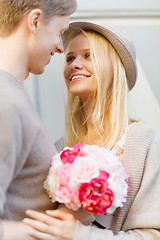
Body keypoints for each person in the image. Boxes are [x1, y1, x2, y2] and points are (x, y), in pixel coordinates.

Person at [23, 21, 160, 239]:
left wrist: (80, 235)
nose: (74, 64)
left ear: (115, 68)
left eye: (88, 56)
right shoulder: (59, 148)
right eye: (70, 58)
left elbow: (152, 235)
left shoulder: (141, 142)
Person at [0, 0, 77, 239]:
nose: (61, 48)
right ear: (34, 21)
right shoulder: (6, 102)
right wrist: (55, 233)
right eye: (60, 32)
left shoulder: (13, 96)